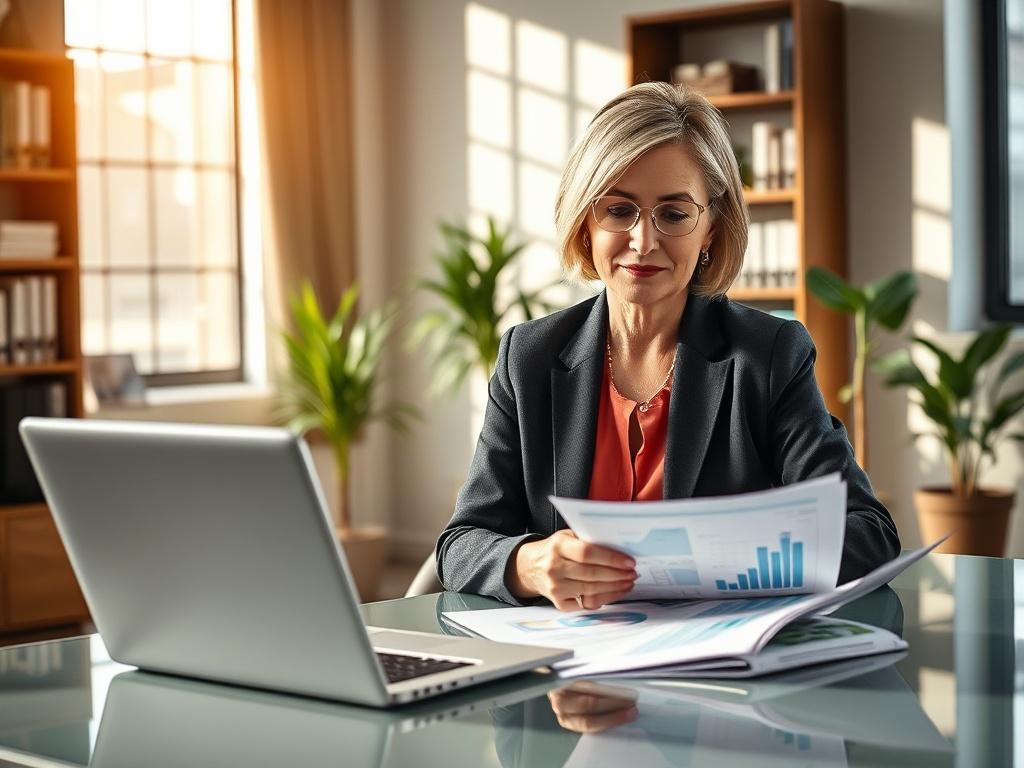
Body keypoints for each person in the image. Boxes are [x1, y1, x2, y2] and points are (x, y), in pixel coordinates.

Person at [435, 82, 899, 611]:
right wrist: (530, 564)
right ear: (586, 223)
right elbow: (460, 545)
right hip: (571, 655)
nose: (643, 241)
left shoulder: (768, 356)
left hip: (717, 654)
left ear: (711, 230)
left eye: (674, 215)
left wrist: (721, 560)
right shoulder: (528, 357)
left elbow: (869, 533)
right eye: (618, 210)